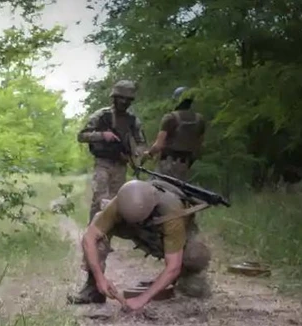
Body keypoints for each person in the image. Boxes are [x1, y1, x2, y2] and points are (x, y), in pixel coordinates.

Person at [69, 179, 212, 308]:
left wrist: (142, 299)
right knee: (98, 225)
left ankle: (184, 281)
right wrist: (100, 278)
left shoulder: (172, 212)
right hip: (137, 229)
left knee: (195, 256)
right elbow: (89, 238)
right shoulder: (121, 201)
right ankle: (92, 288)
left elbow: (173, 265)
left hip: (162, 236)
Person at [77, 80, 148, 223]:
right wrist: (102, 135)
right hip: (102, 163)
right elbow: (82, 136)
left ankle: (105, 238)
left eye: (128, 99)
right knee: (100, 200)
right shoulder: (101, 115)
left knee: (116, 205)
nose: (124, 102)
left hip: (120, 165)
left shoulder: (132, 120)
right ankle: (92, 237)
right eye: (121, 98)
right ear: (114, 98)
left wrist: (135, 155)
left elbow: (141, 143)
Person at [143, 86, 207, 181]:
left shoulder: (170, 118)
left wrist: (148, 154)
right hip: (185, 165)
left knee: (151, 189)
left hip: (167, 164)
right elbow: (200, 145)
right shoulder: (199, 119)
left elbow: (159, 145)